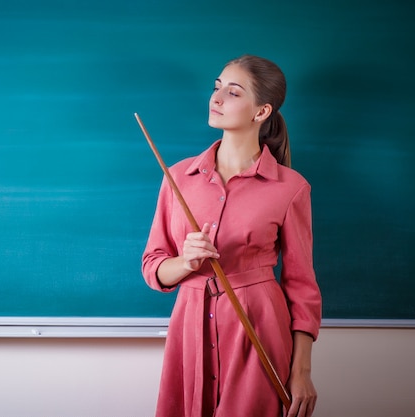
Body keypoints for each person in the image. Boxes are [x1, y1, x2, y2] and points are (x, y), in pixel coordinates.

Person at [141, 55, 322, 417]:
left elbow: (302, 287)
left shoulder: (291, 187)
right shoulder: (177, 176)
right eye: (217, 86)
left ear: (260, 112)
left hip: (258, 327)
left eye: (233, 92)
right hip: (188, 327)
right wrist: (185, 261)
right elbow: (153, 268)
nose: (217, 98)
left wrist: (301, 371)